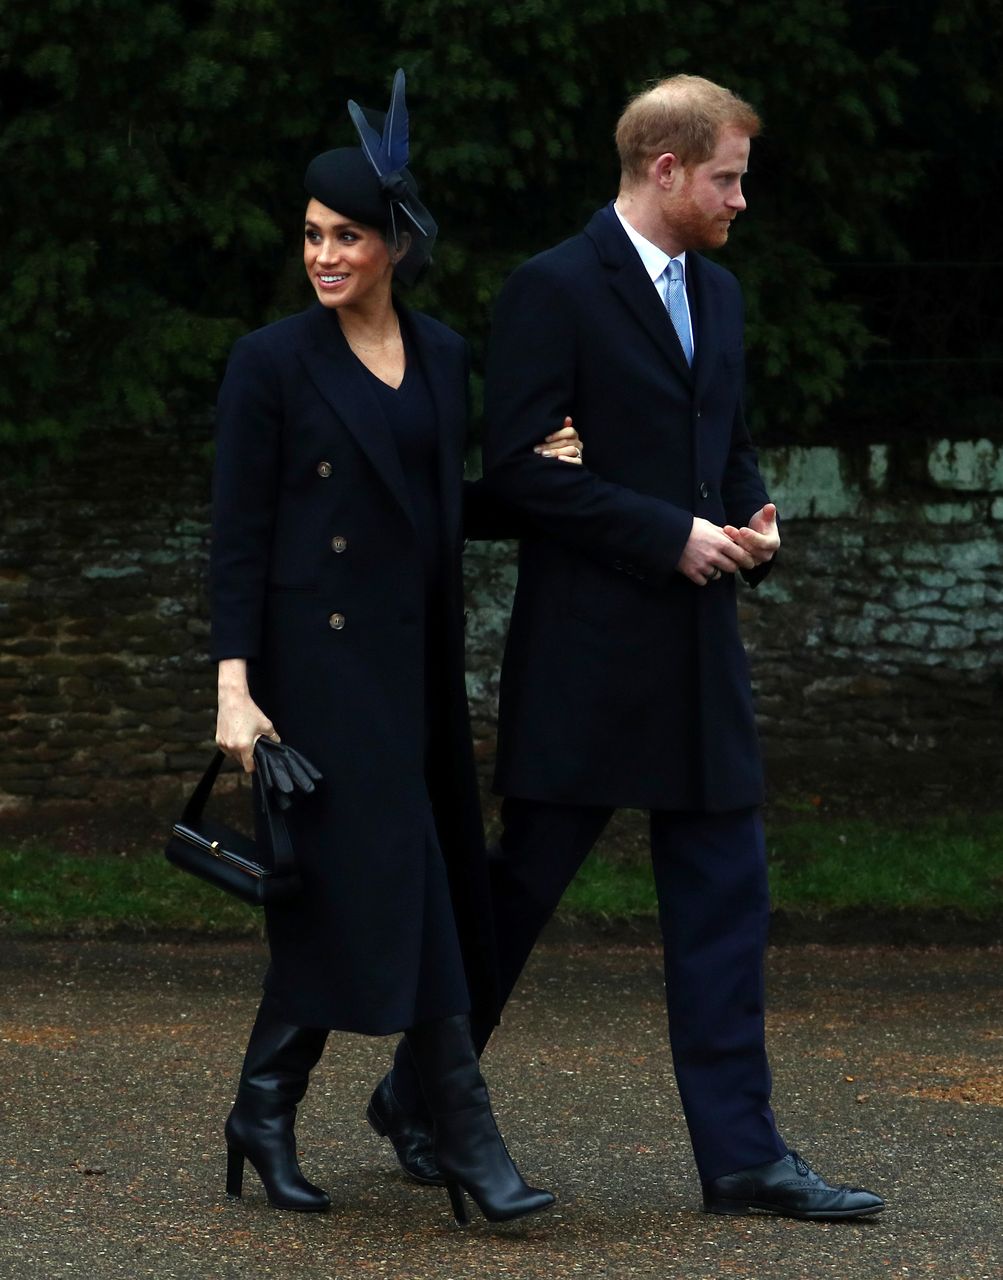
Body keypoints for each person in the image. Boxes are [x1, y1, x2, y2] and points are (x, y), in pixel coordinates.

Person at [371, 74, 884, 1221]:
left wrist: (754, 521)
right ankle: (417, 1090)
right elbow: (512, 471)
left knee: (724, 904)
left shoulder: (725, 294)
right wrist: (668, 534)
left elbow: (729, 446)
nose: (741, 199)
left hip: (700, 656)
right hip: (588, 655)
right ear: (665, 169)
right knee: (514, 895)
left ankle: (742, 1158)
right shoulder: (552, 288)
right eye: (727, 177)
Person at [209, 70, 580, 1225]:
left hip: (410, 672)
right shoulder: (271, 362)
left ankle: (262, 1106)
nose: (323, 256)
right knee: (408, 888)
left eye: (348, 237)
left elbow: (433, 507)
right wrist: (233, 688)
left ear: (396, 244)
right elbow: (237, 535)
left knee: (360, 895)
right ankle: (469, 1143)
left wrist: (541, 482)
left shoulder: (447, 355)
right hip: (311, 679)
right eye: (313, 235)